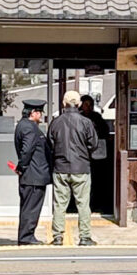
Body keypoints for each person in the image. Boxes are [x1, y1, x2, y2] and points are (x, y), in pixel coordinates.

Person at [47, 91, 105, 246]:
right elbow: (94, 143)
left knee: (60, 204)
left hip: (60, 167)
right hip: (81, 167)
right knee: (83, 204)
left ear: (63, 103)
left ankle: (58, 237)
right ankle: (85, 237)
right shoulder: (86, 122)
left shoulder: (55, 122)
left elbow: (50, 144)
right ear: (78, 104)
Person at [11, 98, 49, 245]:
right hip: (34, 174)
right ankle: (26, 237)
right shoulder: (29, 128)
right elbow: (27, 150)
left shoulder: (24, 125)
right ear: (33, 113)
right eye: (39, 113)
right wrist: (22, 167)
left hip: (31, 174)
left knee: (28, 206)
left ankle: (26, 235)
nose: (41, 116)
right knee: (31, 207)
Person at [80, 92, 116, 222]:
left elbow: (105, 132)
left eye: (90, 105)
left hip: (98, 155)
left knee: (98, 182)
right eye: (86, 105)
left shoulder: (97, 117)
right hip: (82, 155)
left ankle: (98, 205)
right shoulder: (78, 118)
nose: (88, 107)